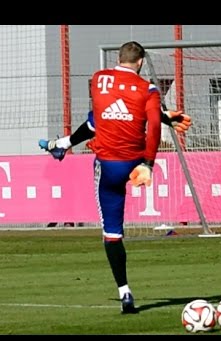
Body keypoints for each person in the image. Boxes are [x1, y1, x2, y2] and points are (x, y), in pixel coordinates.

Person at [39, 41, 192, 314]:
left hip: (108, 166)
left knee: (112, 233)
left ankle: (125, 293)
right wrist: (149, 161)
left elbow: (101, 118)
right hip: (135, 162)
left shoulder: (99, 80)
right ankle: (62, 144)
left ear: (119, 58)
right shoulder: (149, 90)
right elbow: (152, 126)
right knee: (103, 120)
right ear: (141, 62)